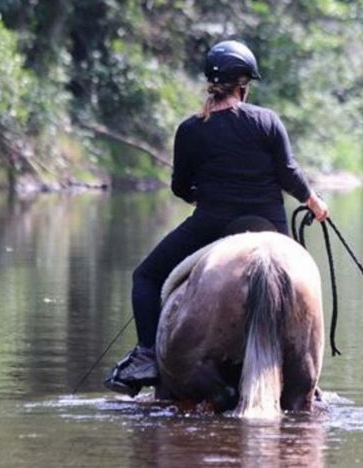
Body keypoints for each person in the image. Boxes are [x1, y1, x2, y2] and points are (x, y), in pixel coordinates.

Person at [104, 39, 329, 396]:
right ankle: (308, 378)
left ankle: (147, 354)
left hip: (212, 224)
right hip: (270, 225)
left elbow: (180, 186)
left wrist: (202, 197)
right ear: (244, 84)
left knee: (146, 276)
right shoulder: (267, 121)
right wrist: (313, 201)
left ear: (212, 83)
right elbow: (288, 172)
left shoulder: (191, 129)